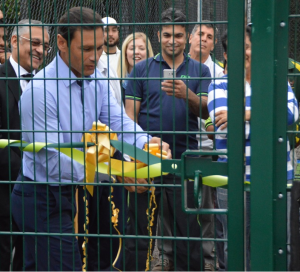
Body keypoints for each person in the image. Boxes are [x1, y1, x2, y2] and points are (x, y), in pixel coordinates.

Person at [11, 7, 170, 271]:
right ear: (61, 43)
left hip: (68, 192)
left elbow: (118, 120)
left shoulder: (96, 78)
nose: (95, 57)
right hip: (40, 197)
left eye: (98, 48)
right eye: (86, 49)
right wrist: (117, 171)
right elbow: (53, 161)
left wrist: (146, 143)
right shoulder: (40, 92)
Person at [125, 8, 211, 272]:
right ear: (158, 35)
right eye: (166, 35)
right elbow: (129, 116)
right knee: (140, 232)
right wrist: (132, 158)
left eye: (178, 35)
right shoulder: (141, 70)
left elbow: (208, 112)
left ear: (187, 38)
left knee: (187, 234)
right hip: (146, 161)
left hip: (184, 162)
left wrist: (188, 95)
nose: (172, 40)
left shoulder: (200, 71)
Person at [207, 26, 298, 272]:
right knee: (235, 247)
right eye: (238, 49)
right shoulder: (218, 83)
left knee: (281, 244)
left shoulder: (275, 78)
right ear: (226, 55)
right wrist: (266, 119)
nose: (245, 53)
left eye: (248, 47)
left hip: (276, 179)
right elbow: (224, 128)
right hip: (233, 179)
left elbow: (290, 116)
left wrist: (243, 114)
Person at [0, 18, 50, 271]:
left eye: (45, 45)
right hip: (4, 186)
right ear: (14, 41)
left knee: (30, 254)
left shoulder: (48, 85)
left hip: (39, 188)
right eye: (36, 42)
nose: (41, 50)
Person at [117, 32, 154, 104]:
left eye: (141, 48)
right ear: (125, 53)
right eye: (132, 48)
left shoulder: (155, 80)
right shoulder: (115, 82)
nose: (136, 52)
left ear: (148, 53)